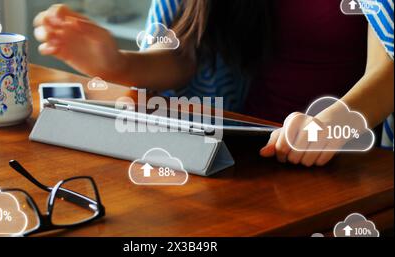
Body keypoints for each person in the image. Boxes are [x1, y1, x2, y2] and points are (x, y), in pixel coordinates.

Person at [33, 1, 394, 167]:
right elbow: (186, 53)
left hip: (346, 162)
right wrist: (117, 64)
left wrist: (332, 123)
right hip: (241, 150)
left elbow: (390, 66)